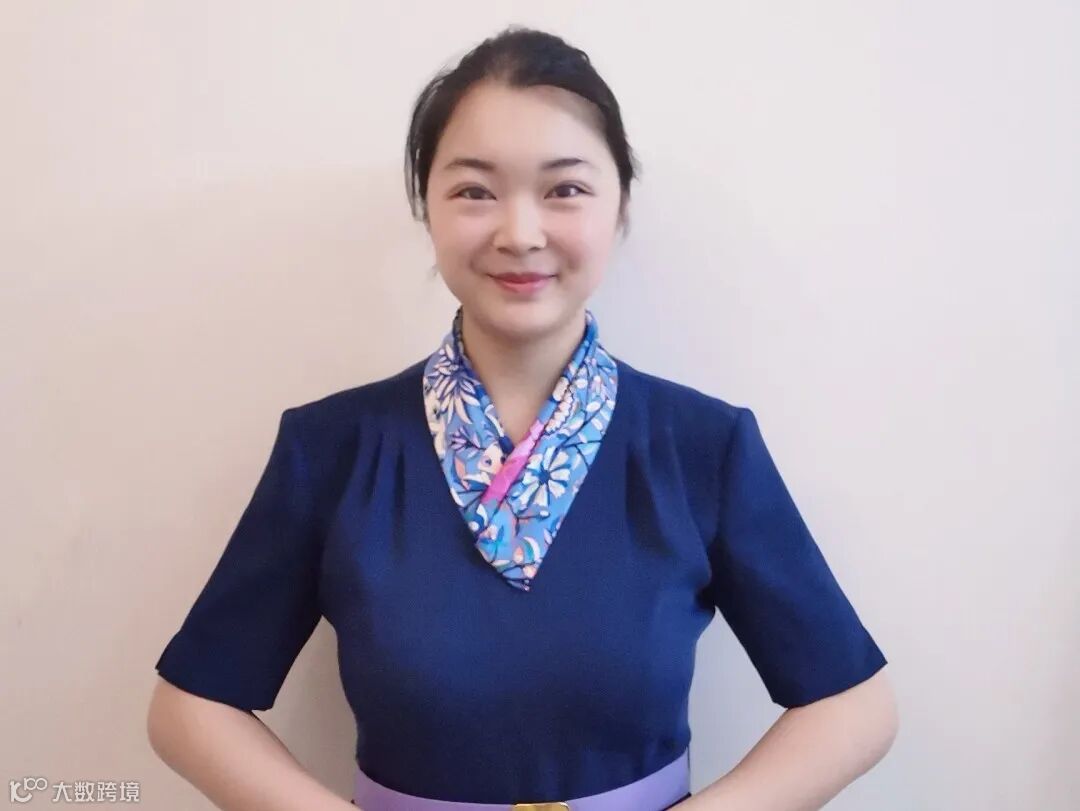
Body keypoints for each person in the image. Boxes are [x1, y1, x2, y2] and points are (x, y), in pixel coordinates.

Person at [147, 25, 897, 811]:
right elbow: (189, 708)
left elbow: (855, 704)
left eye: (564, 189)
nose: (521, 233)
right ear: (427, 207)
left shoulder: (704, 448)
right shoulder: (331, 449)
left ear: (620, 205)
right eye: (475, 191)